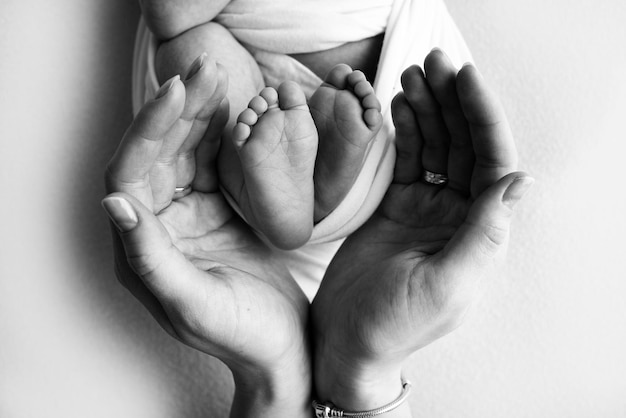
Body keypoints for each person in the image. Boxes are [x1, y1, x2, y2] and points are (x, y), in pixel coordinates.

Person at [102, 49, 533, 416]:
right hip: (391, 188)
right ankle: (309, 204)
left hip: (371, 184)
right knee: (208, 68)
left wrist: (278, 380)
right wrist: (359, 373)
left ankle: (293, 205)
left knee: (198, 56)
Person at [132, 0, 477, 298]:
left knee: (202, 63)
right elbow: (169, 13)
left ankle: (294, 188)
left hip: (391, 103)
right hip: (282, 93)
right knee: (194, 55)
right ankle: (274, 193)